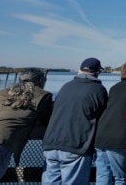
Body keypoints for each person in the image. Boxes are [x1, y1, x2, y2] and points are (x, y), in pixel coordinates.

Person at [42, 57, 109, 185]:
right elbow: (103, 117)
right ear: (97, 72)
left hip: (50, 145)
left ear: (79, 70)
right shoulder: (98, 90)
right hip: (76, 146)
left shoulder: (66, 86)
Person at [95, 60, 126, 185]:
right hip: (119, 138)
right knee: (119, 178)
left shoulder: (114, 88)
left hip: (101, 135)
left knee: (103, 176)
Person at [0, 68, 52, 181]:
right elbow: (46, 120)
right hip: (2, 143)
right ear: (41, 81)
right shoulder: (42, 96)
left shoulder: (2, 93)